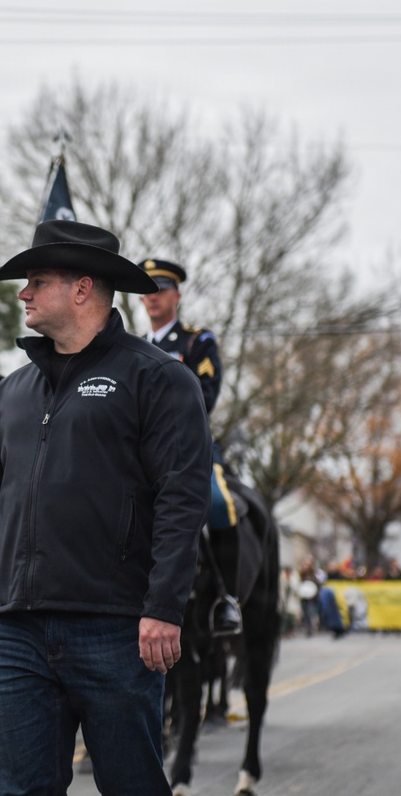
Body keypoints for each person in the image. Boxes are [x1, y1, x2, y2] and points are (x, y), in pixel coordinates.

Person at [0, 220, 213, 795]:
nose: (22, 294)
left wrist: (164, 606)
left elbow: (183, 499)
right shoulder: (11, 392)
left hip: (116, 630)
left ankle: (225, 604)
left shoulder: (160, 378)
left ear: (82, 289)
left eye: (35, 281)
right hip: (11, 635)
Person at [136, 258, 240, 635]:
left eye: (161, 289)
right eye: (147, 289)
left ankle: (227, 600)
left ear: (176, 295)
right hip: (137, 449)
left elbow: (205, 396)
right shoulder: (131, 346)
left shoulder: (198, 341)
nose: (153, 297)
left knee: (217, 504)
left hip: (188, 447)